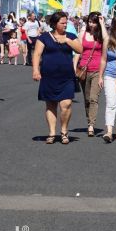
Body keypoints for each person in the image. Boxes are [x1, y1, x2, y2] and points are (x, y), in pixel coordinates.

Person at [33, 11, 83, 144]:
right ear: (55, 24)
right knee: (51, 105)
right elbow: (37, 54)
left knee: (66, 104)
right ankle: (52, 132)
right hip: (49, 76)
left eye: (66, 22)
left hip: (66, 76)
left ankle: (64, 131)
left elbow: (80, 49)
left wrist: (67, 40)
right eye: (63, 23)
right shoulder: (44, 37)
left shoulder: (71, 36)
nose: (65, 25)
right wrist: (35, 70)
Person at [77, 12, 106, 137]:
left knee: (94, 98)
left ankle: (91, 125)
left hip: (97, 70)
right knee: (87, 98)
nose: (91, 24)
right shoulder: (83, 34)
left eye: (94, 22)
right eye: (89, 21)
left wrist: (102, 23)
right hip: (83, 69)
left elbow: (107, 39)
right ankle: (89, 121)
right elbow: (78, 51)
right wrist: (74, 67)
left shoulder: (101, 36)